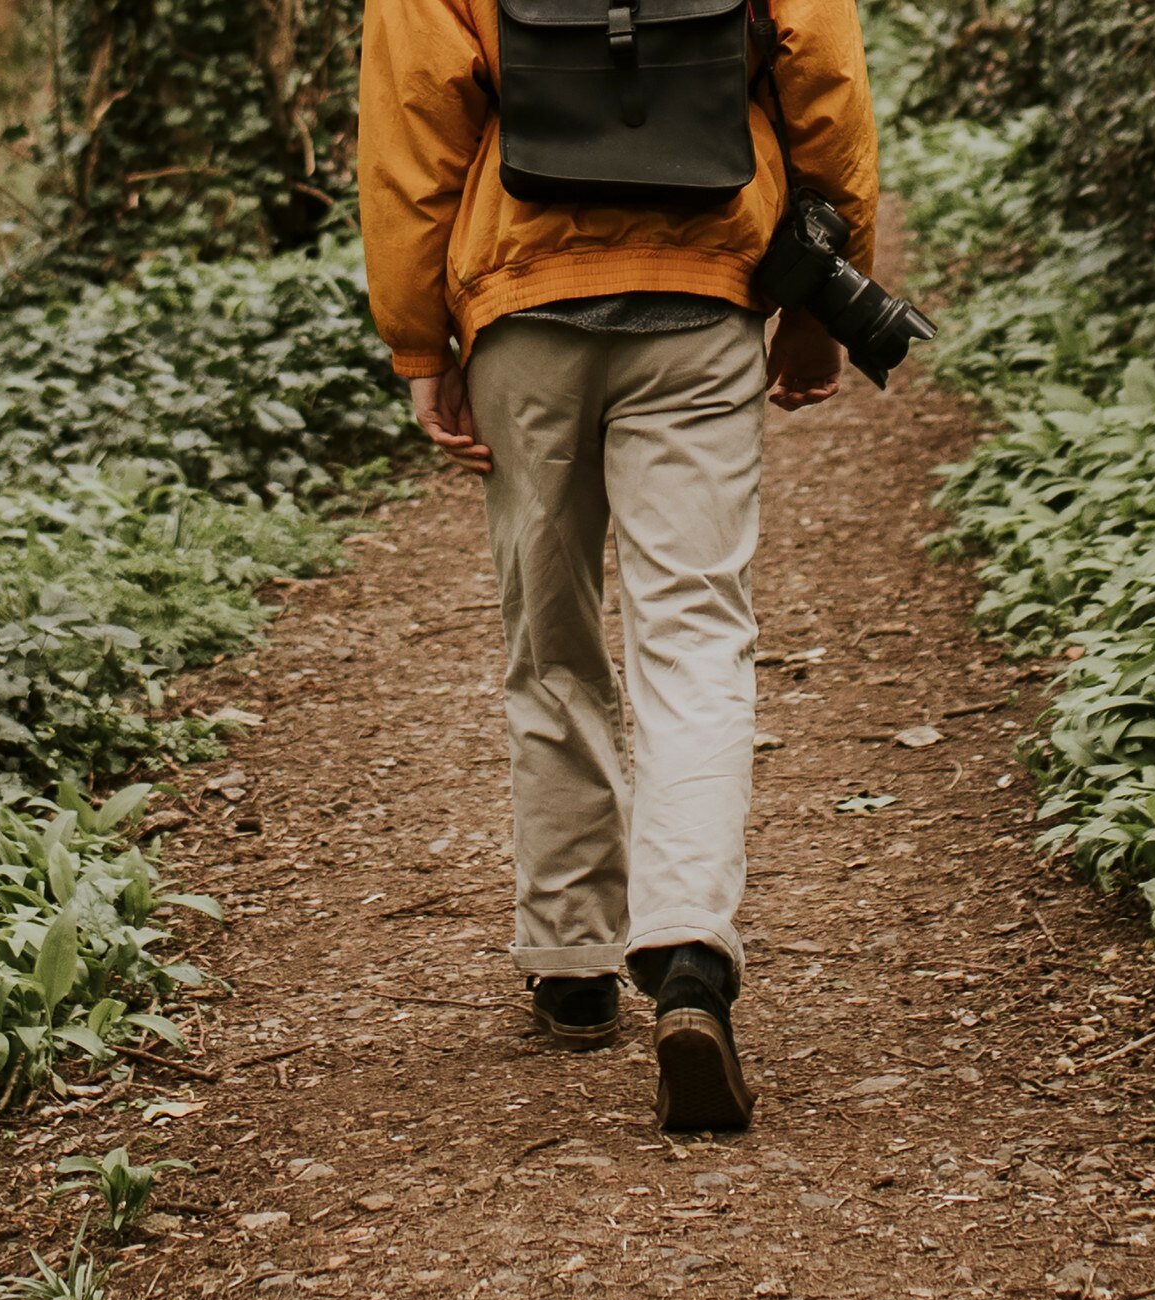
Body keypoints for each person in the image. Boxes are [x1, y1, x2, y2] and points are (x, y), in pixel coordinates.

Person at [357, 0, 878, 1132]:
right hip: (704, 294)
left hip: (520, 308)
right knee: (694, 633)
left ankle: (572, 958)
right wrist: (822, 301)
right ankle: (688, 956)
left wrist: (418, 339)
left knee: (551, 639)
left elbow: (414, 124)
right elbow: (826, 91)